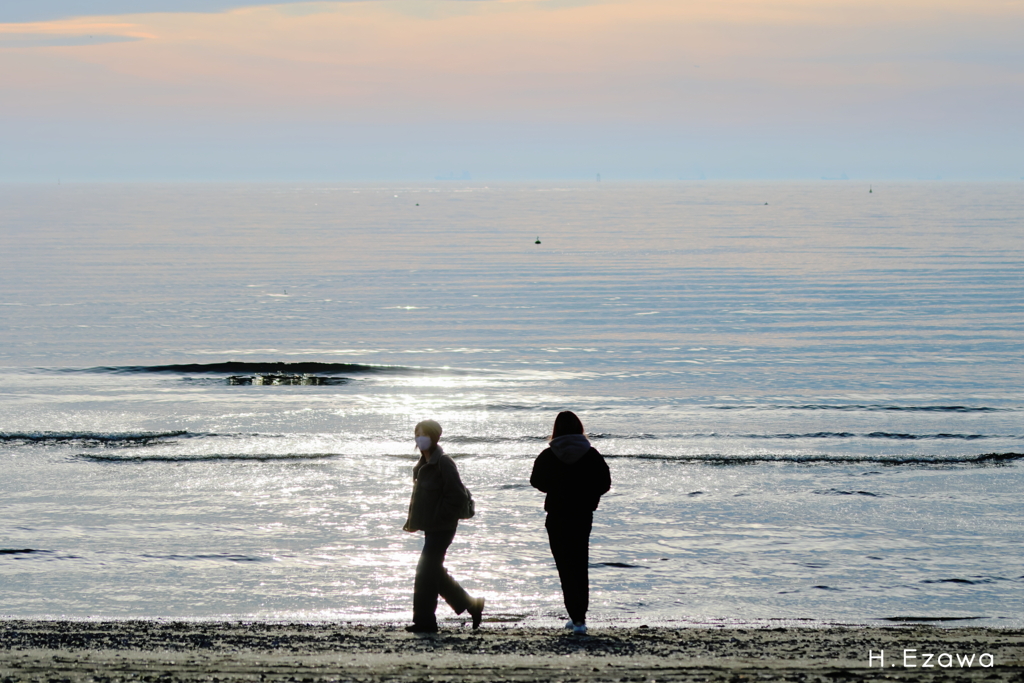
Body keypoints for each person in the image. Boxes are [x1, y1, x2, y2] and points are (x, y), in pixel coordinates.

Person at [530, 411, 611, 636]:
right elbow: (605, 483)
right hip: (582, 515)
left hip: (556, 514)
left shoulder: (549, 454)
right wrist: (587, 495)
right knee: (579, 563)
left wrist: (556, 488)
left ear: (556, 430)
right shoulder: (591, 454)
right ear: (579, 428)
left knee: (565, 566)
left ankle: (574, 616)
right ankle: (579, 618)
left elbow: (535, 480)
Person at [402, 419, 484, 633]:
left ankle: (425, 622)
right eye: (417, 434)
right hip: (431, 527)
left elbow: (456, 495)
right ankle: (471, 604)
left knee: (424, 571)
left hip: (444, 527)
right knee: (433, 571)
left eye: (424, 434)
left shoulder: (443, 462)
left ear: (434, 437)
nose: (419, 438)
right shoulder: (422, 464)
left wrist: (440, 517)